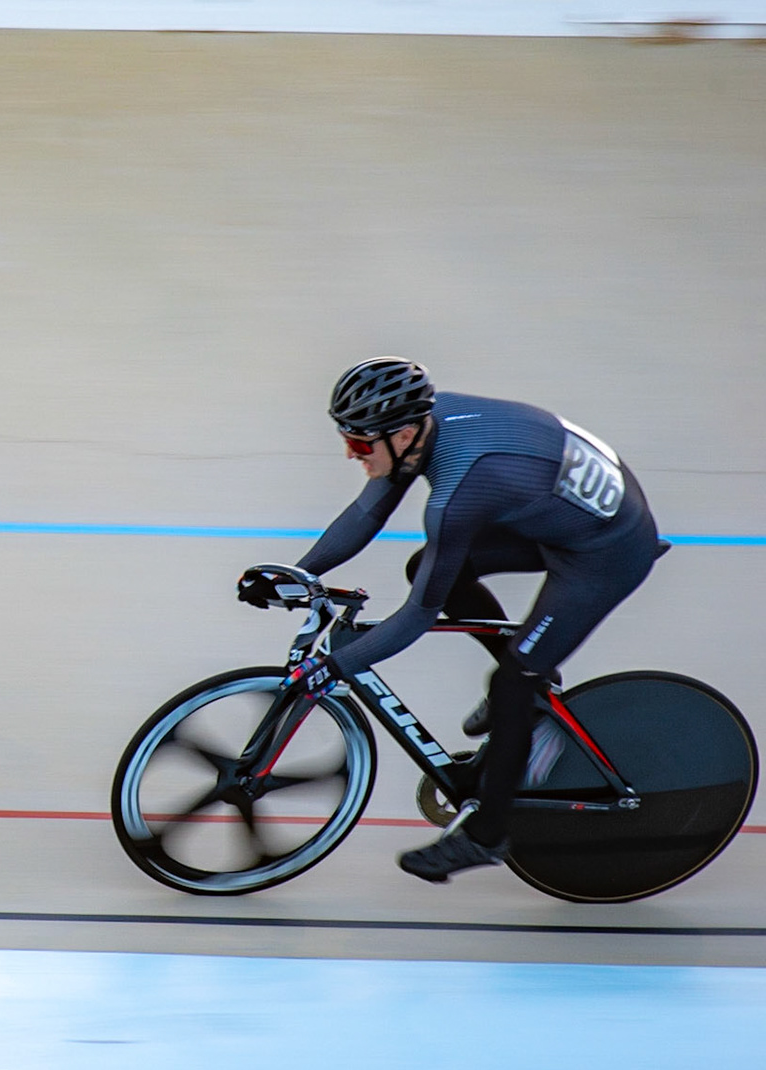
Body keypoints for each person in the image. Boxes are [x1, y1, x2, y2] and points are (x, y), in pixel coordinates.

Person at [243, 357, 665, 883]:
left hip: (605, 553)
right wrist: (298, 575)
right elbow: (366, 514)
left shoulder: (460, 490)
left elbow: (418, 615)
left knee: (511, 682)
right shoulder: (419, 427)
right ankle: (535, 689)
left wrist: (334, 667)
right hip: (559, 513)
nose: (351, 454)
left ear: (402, 434)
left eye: (360, 444)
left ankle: (487, 836)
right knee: (427, 566)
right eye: (347, 440)